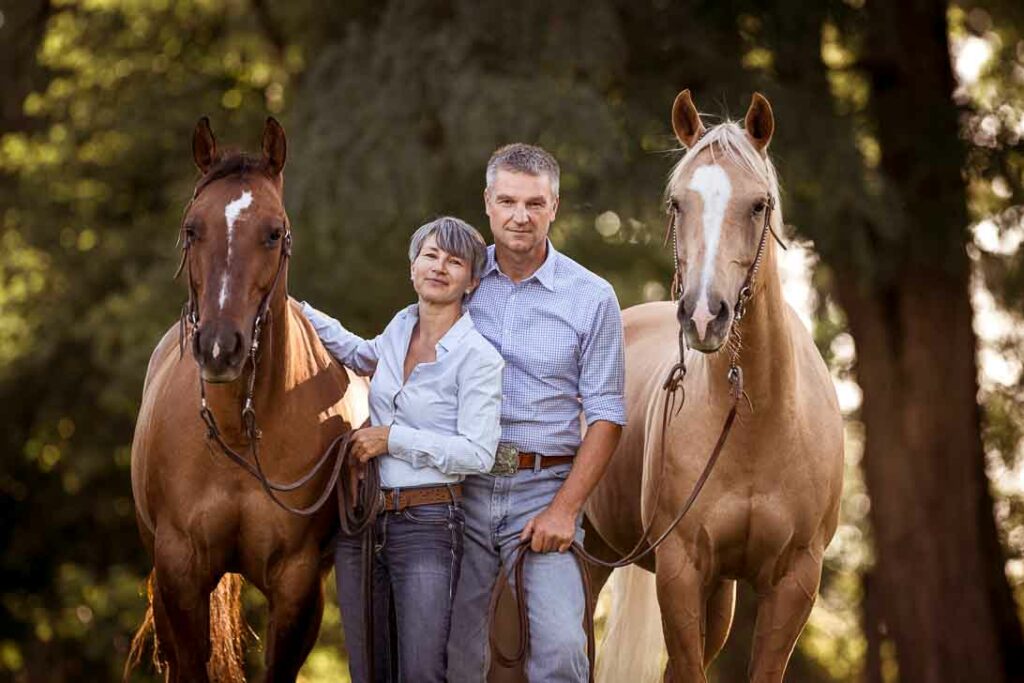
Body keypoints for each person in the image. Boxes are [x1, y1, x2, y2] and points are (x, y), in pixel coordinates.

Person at [447, 144, 626, 682]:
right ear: (487, 202)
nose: (519, 216)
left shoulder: (591, 298)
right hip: (461, 488)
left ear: (554, 207)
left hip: (543, 491)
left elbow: (607, 415)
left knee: (563, 653)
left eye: (534, 203)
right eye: (507, 201)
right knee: (451, 657)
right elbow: (400, 353)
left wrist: (565, 511)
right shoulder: (456, 281)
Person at [301, 216, 503, 683]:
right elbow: (358, 353)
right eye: (430, 256)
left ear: (471, 280)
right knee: (368, 670)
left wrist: (392, 439)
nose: (439, 267)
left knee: (420, 672)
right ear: (413, 267)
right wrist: (297, 309)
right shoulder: (399, 327)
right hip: (364, 523)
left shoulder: (479, 358)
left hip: (428, 526)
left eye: (454, 262)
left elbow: (478, 453)